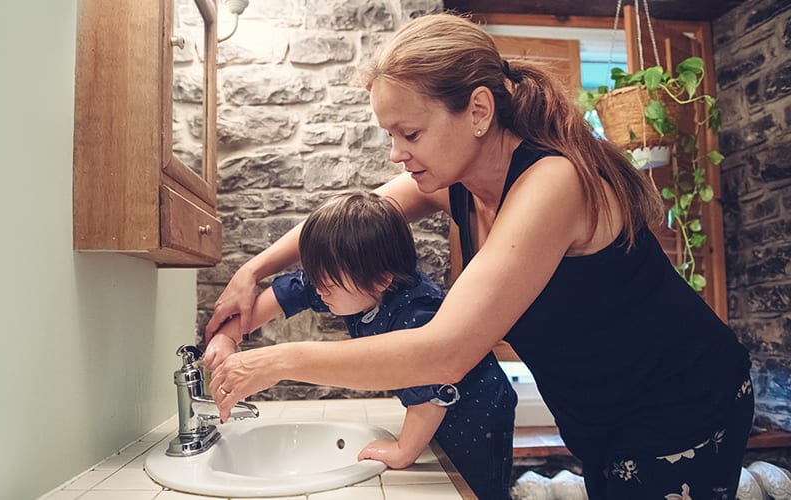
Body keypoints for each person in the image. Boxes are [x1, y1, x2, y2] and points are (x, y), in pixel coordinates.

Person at [205, 12, 754, 500]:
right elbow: (358, 217)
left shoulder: (552, 184)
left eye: (410, 133)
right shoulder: (456, 181)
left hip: (685, 404)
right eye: (390, 135)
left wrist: (276, 361)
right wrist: (252, 272)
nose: (398, 154)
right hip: (600, 414)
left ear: (479, 110)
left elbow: (444, 352)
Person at [203, 192, 517, 500]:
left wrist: (404, 451)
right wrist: (228, 336)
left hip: (479, 411)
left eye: (327, 286)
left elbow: (432, 387)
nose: (319, 292)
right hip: (437, 403)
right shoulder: (355, 281)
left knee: (477, 487)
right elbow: (287, 295)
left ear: (382, 280)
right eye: (318, 281)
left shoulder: (415, 312)